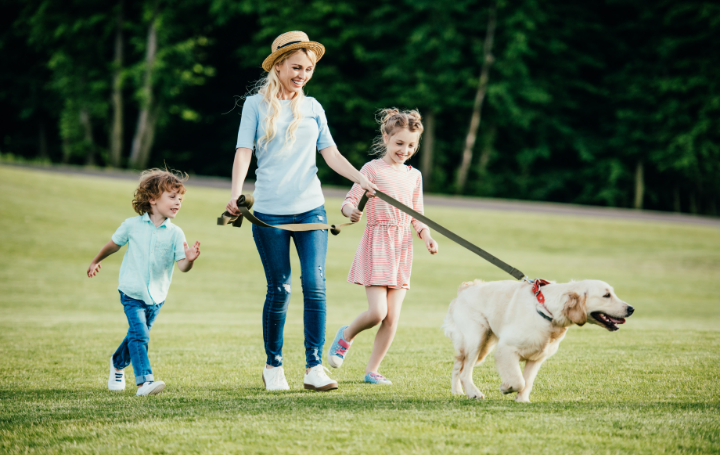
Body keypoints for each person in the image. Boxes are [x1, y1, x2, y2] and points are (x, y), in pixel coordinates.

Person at [225, 31, 376, 392]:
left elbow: (332, 154)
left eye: (308, 69)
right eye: (296, 67)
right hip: (270, 213)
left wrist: (362, 179)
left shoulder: (313, 107)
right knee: (280, 288)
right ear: (278, 66)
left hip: (311, 210)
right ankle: (273, 365)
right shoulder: (254, 106)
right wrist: (235, 194)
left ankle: (314, 367)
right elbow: (243, 150)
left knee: (315, 286)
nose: (302, 75)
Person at [327, 109, 439, 385]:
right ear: (386, 137)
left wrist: (426, 235)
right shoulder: (371, 169)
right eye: (399, 143)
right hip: (377, 243)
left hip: (402, 247)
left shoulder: (415, 176)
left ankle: (372, 370)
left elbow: (417, 213)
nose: (405, 150)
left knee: (392, 317)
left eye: (411, 145)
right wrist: (350, 211)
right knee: (378, 313)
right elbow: (348, 201)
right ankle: (346, 335)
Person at [87, 169, 201, 396]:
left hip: (156, 298)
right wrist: (96, 260)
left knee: (136, 335)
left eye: (180, 198)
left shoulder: (176, 233)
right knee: (140, 335)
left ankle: (118, 362)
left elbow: (182, 267)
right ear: (152, 199)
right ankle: (144, 382)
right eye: (172, 197)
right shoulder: (131, 225)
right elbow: (113, 245)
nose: (178, 202)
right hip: (131, 292)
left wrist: (189, 260)